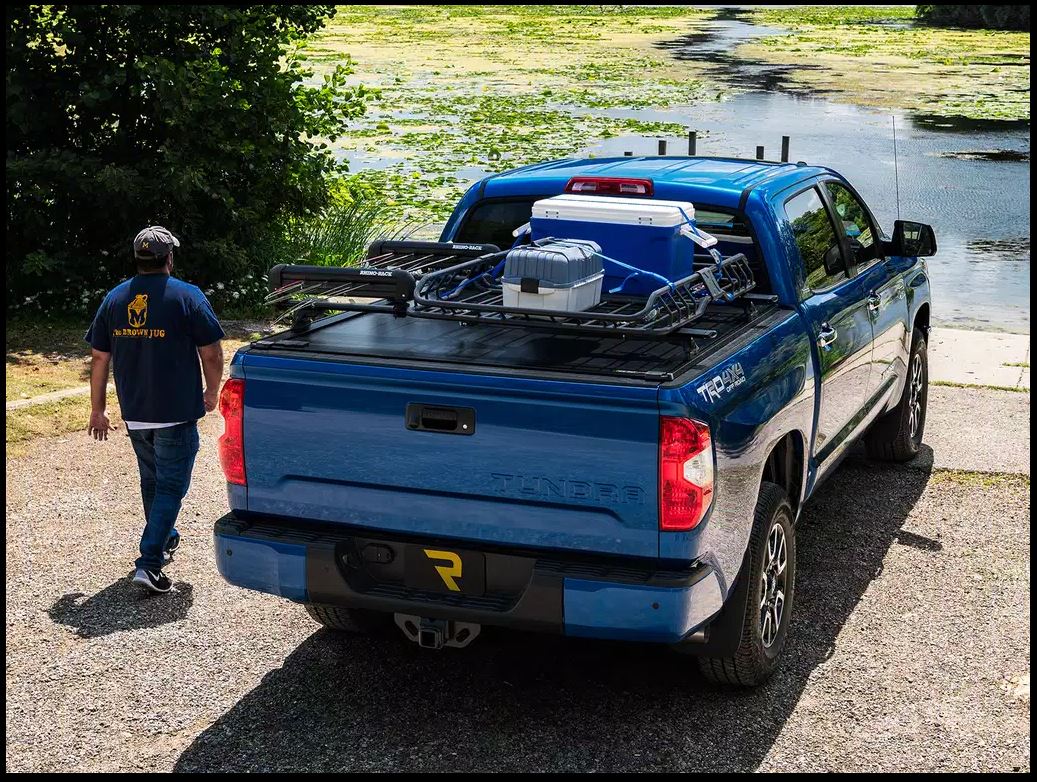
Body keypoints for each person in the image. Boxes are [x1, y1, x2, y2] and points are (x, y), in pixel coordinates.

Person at [86, 226, 226, 593]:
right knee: (171, 487)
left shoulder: (115, 299)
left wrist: (98, 410)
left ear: (138, 258)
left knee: (152, 481)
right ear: (169, 258)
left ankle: (164, 537)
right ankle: (149, 563)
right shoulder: (188, 297)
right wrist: (212, 391)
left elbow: (99, 357)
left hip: (136, 412)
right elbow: (211, 353)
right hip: (176, 412)